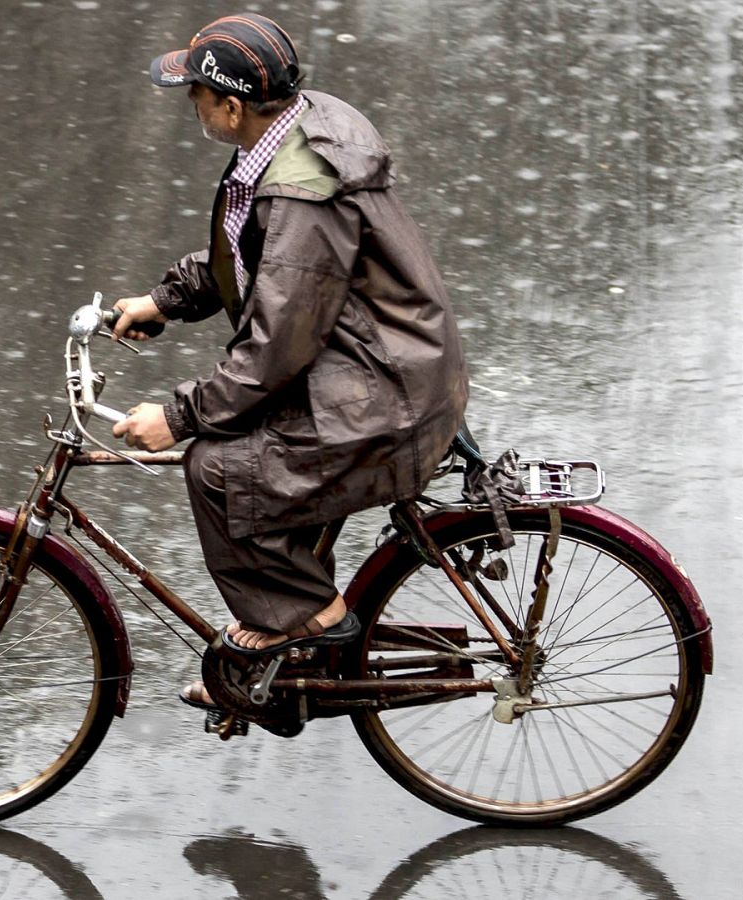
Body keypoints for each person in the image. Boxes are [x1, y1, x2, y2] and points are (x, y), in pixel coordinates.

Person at [109, 13, 468, 706]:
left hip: (382, 396)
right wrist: (166, 299)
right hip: (374, 371)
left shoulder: (302, 191)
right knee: (245, 455)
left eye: (196, 94)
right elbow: (254, 257)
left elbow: (276, 345)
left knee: (219, 470)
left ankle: (309, 623)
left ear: (232, 106)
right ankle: (288, 656)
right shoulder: (290, 137)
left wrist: (178, 417)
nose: (191, 105)